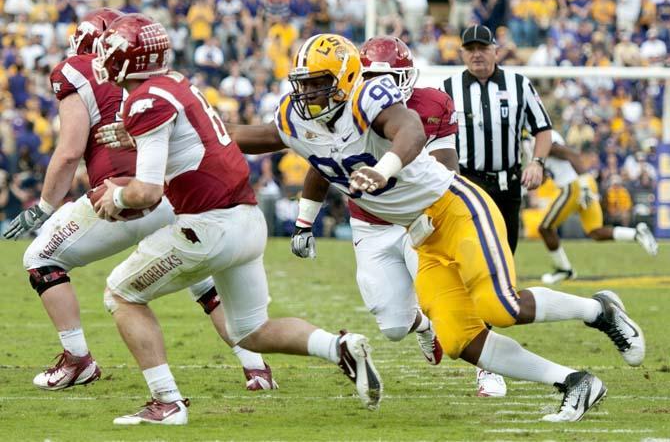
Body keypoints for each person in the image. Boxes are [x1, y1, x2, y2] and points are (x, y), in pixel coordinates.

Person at [226, 33, 645, 422]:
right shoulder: (298, 119)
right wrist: (191, 133)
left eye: (319, 83)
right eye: (304, 83)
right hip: (419, 232)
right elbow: (245, 136)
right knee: (462, 340)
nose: (308, 94)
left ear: (347, 78)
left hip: (455, 207)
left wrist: (384, 168)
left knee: (500, 307)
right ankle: (575, 381)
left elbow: (407, 130)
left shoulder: (369, 95)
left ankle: (599, 310)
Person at [92, 14, 381, 425]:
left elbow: (148, 192)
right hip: (247, 221)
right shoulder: (174, 84)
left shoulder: (145, 100)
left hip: (210, 225)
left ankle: (166, 402)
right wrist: (137, 139)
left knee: (120, 295)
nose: (103, 56)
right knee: (251, 331)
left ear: (126, 57)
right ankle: (339, 347)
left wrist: (116, 197)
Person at [2, 9, 277, 393]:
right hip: (170, 194)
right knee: (201, 280)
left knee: (40, 258)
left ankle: (78, 359)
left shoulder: (74, 70)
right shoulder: (160, 80)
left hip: (122, 195)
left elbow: (68, 151)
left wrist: (43, 208)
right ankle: (256, 367)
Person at [290, 35, 506, 398]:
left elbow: (446, 167)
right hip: (369, 223)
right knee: (392, 326)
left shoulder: (430, 104)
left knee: (450, 296)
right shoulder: (342, 107)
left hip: (415, 220)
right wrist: (304, 221)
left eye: (389, 79)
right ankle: (422, 326)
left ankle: (490, 368)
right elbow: (319, 166)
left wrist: (393, 174)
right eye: (373, 78)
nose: (381, 88)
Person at [443, 25, 552, 253]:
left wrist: (537, 163)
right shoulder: (448, 89)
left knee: (505, 251)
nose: (476, 54)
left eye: (482, 47)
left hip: (507, 183)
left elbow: (542, 128)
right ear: (462, 53)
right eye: (470, 49)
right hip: (468, 182)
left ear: (495, 50)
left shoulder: (519, 84)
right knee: (470, 251)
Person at [537, 130, 658, 284]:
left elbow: (571, 155)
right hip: (583, 184)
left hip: (575, 186)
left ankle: (564, 270)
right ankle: (636, 233)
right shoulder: (537, 140)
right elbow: (547, 173)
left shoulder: (543, 137)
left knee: (545, 228)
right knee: (595, 232)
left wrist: (583, 184)